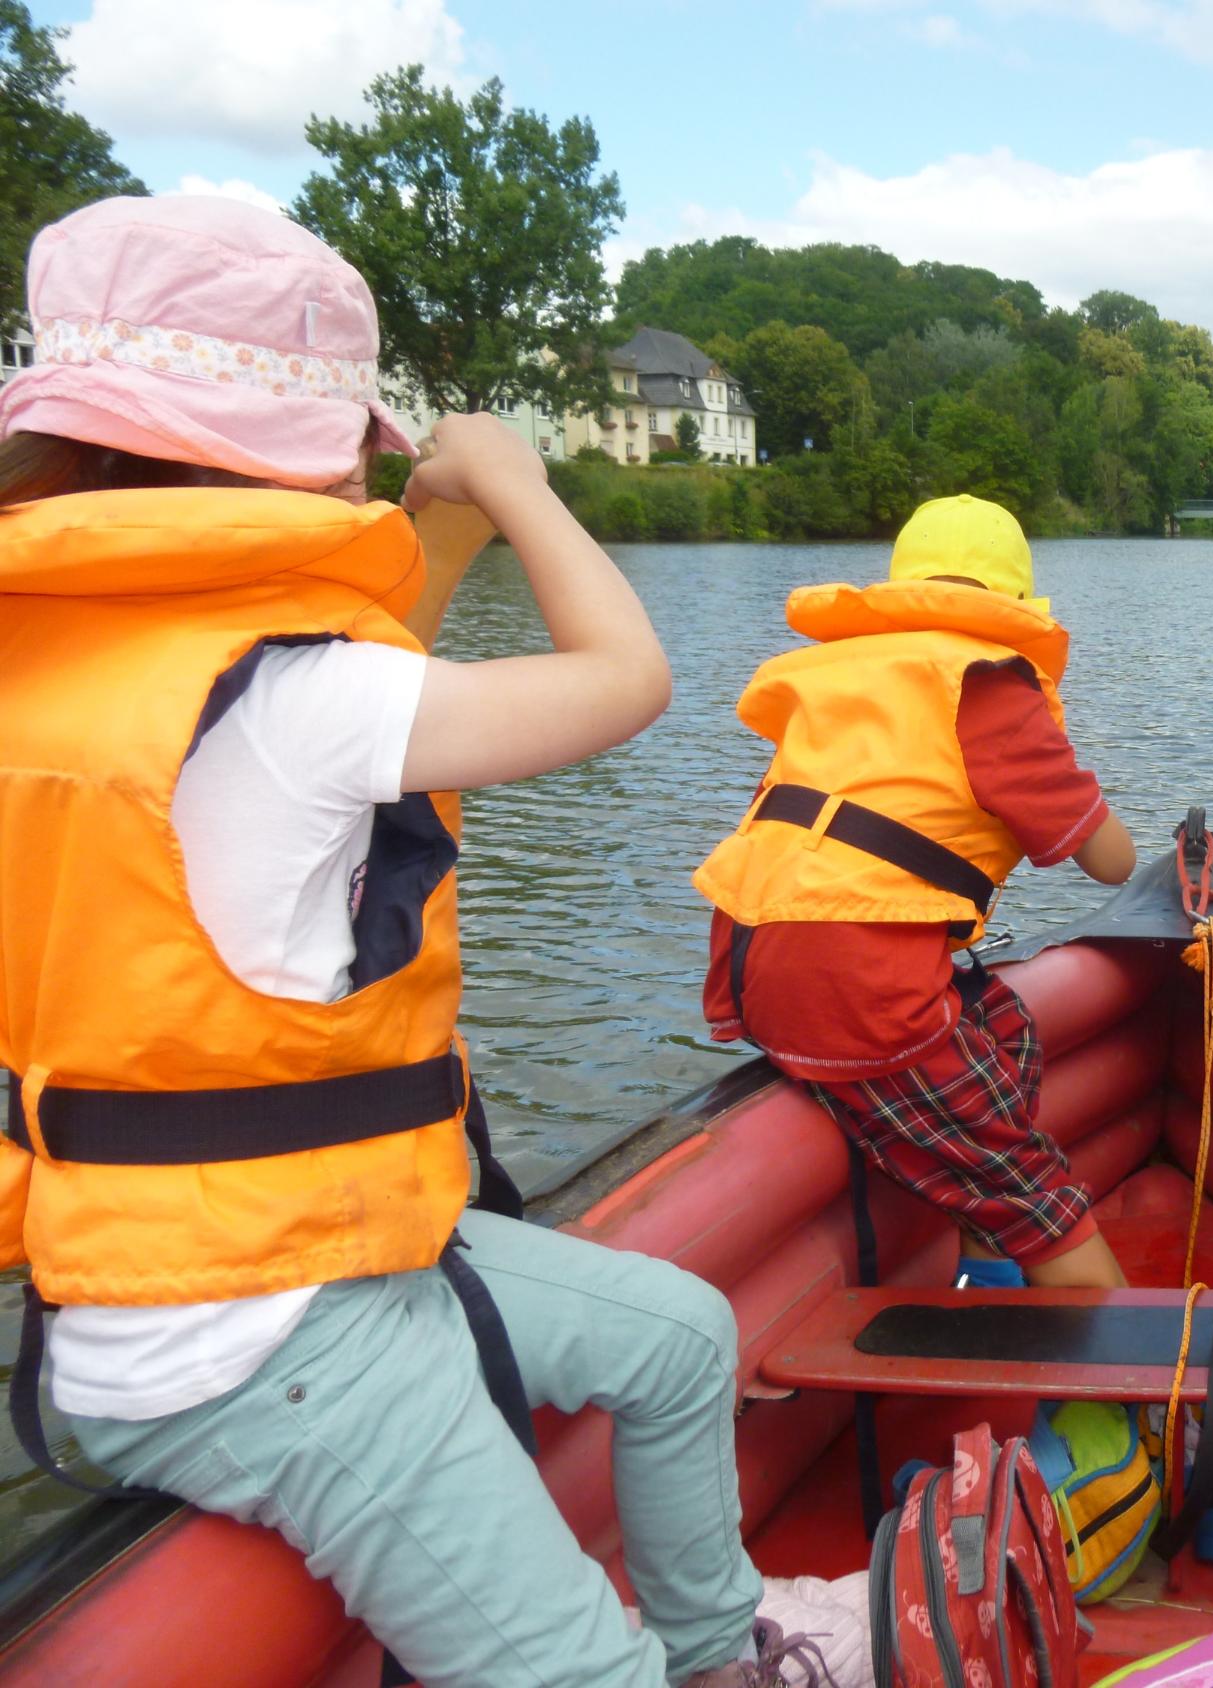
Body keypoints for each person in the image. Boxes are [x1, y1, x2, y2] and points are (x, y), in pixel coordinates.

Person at [0, 195, 784, 1688]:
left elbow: (301, 712)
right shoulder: (305, 697)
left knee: (677, 1336)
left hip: (235, 1260)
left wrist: (448, 533)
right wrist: (514, 482)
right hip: (248, 1338)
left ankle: (716, 1654)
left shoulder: (51, 655)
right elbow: (621, 680)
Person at [696, 494, 1135, 1290]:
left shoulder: (844, 680)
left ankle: (982, 1269)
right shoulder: (990, 683)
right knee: (1038, 1196)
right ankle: (1125, 1404)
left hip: (749, 961)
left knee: (1007, 1032)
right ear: (1010, 605)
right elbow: (1110, 862)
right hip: (852, 978)